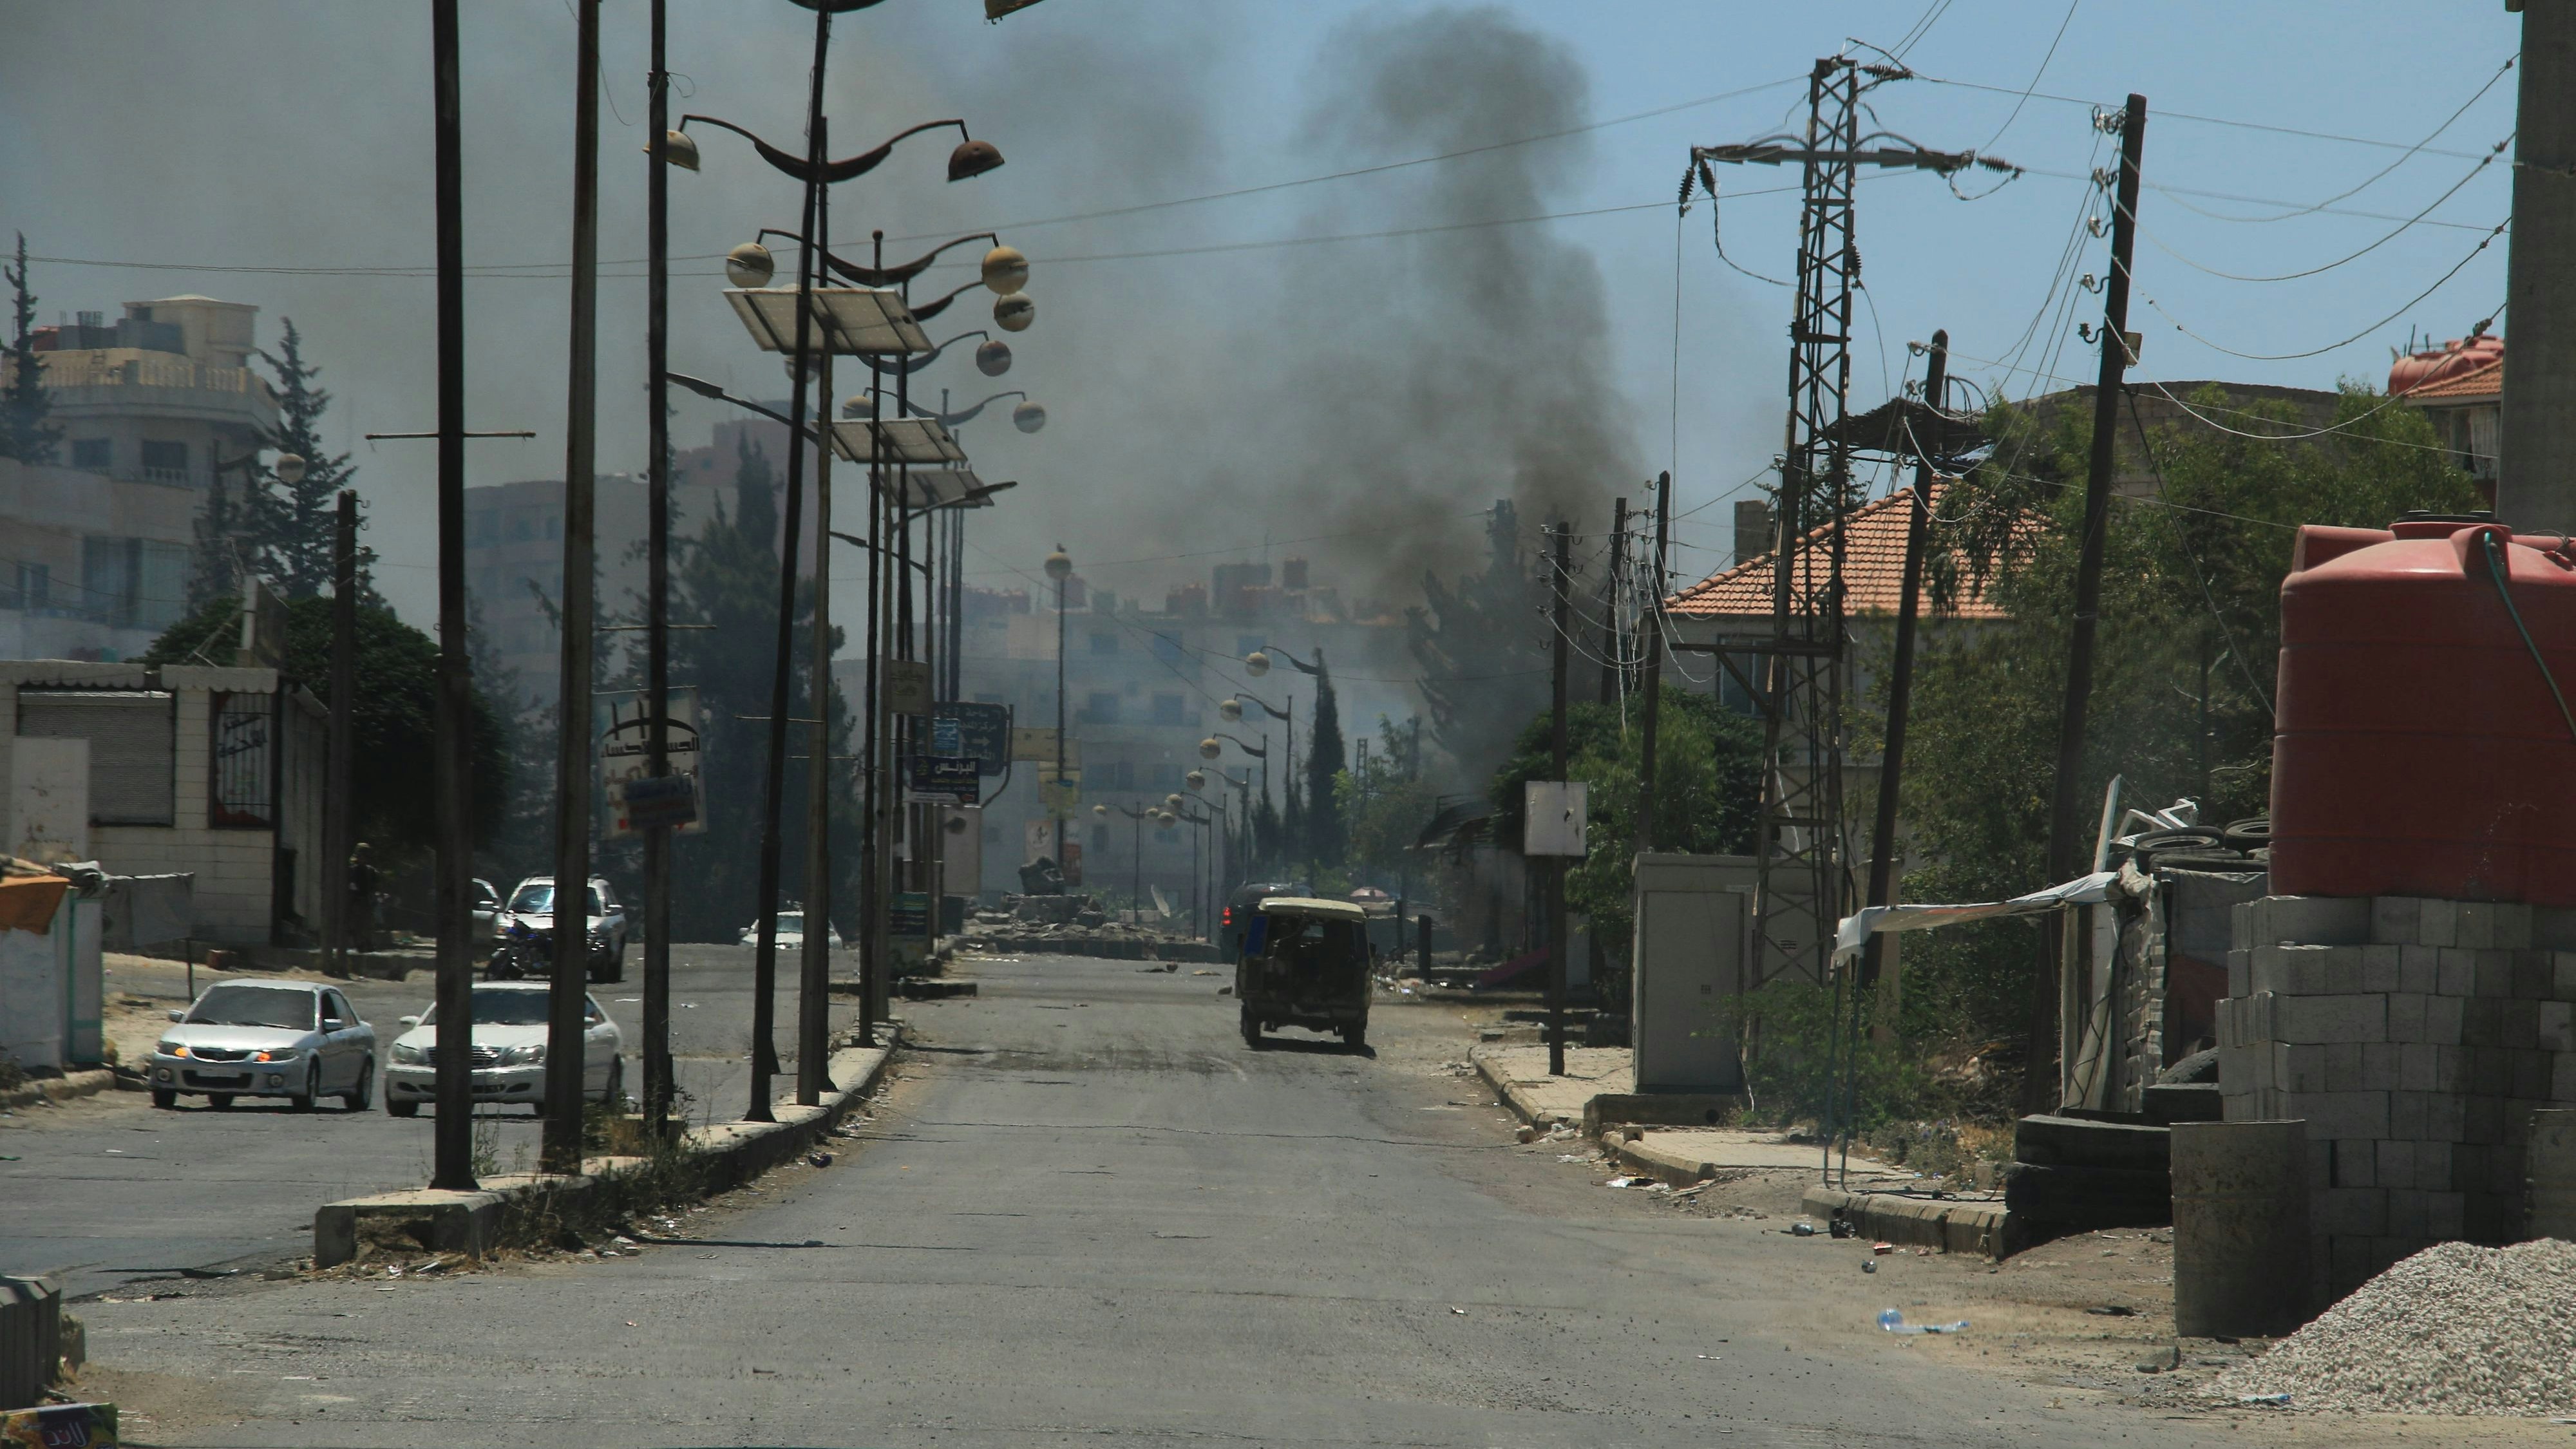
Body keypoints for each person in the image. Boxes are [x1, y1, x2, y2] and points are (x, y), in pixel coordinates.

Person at [346, 842, 382, 954]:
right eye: (361, 855)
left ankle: (368, 943)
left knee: (368, 924)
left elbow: (377, 886)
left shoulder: (371, 871)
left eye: (365, 856)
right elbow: (349, 887)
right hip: (356, 902)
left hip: (368, 902)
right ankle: (360, 945)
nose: (363, 858)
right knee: (357, 925)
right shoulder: (352, 871)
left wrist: (378, 895)